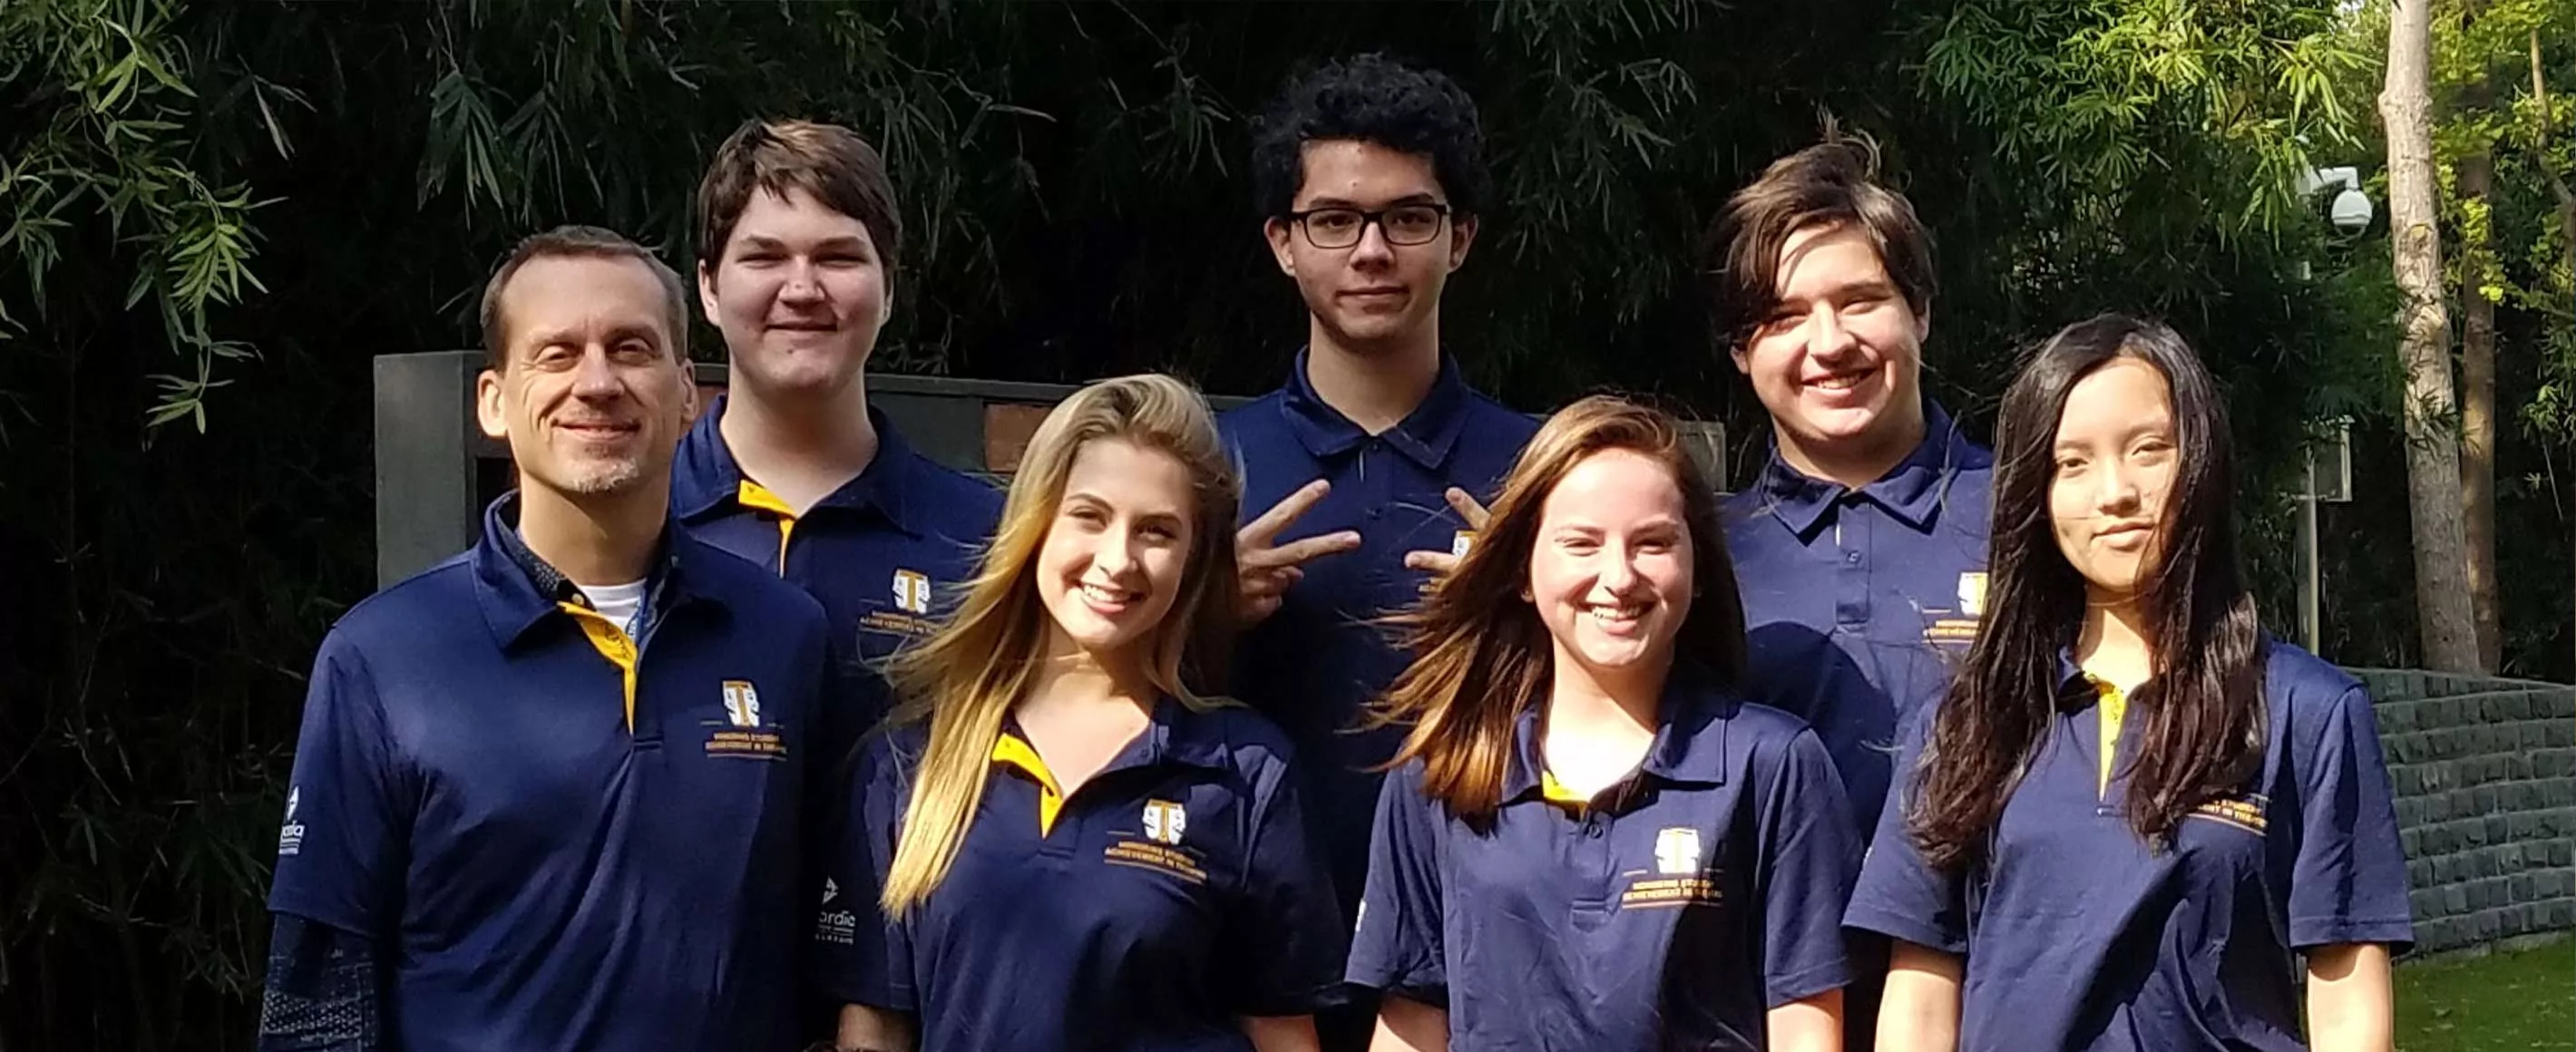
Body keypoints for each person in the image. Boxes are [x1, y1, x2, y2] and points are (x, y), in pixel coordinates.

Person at [259, 227, 846, 1051]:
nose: (597, 383)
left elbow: (840, 938)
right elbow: (319, 999)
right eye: (557, 354)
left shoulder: (784, 636)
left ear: (688, 393)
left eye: (631, 348)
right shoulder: (383, 658)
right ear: (494, 401)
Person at [1847, 315, 2412, 1051]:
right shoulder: (1964, 722)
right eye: (2072, 463)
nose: (2115, 492)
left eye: (2148, 450)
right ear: (2035, 493)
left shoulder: (2307, 711)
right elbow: (1921, 997)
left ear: (2201, 461)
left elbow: (2347, 999)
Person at [820, 375, 1344, 1052]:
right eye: (1090, 516)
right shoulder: (910, 761)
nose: (1118, 560)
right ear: (1035, 523)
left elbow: (1283, 1036)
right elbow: (873, 1028)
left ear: (1193, 560)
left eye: (1157, 531)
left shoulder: (1247, 772)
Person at [1348, 395, 1858, 1052]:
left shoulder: (1774, 765)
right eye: (1581, 544)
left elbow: (1806, 1027)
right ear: (1524, 571)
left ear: (1699, 567)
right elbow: (1411, 1025)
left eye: (1653, 543)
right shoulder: (1440, 773)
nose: (1618, 577)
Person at [1219, 60, 1539, 1042]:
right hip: (1237, 959)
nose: (1370, 251)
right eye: (1333, 220)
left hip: (1492, 961)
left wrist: (1535, 618)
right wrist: (1192, 612)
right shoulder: (1201, 468)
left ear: (1459, 238)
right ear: (1282, 242)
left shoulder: (1544, 474)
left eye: (1408, 218)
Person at [674, 118, 1002, 676]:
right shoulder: (633, 523)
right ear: (709, 287)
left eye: (838, 258)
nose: (802, 289)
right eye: (765, 258)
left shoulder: (987, 540)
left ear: (888, 288)